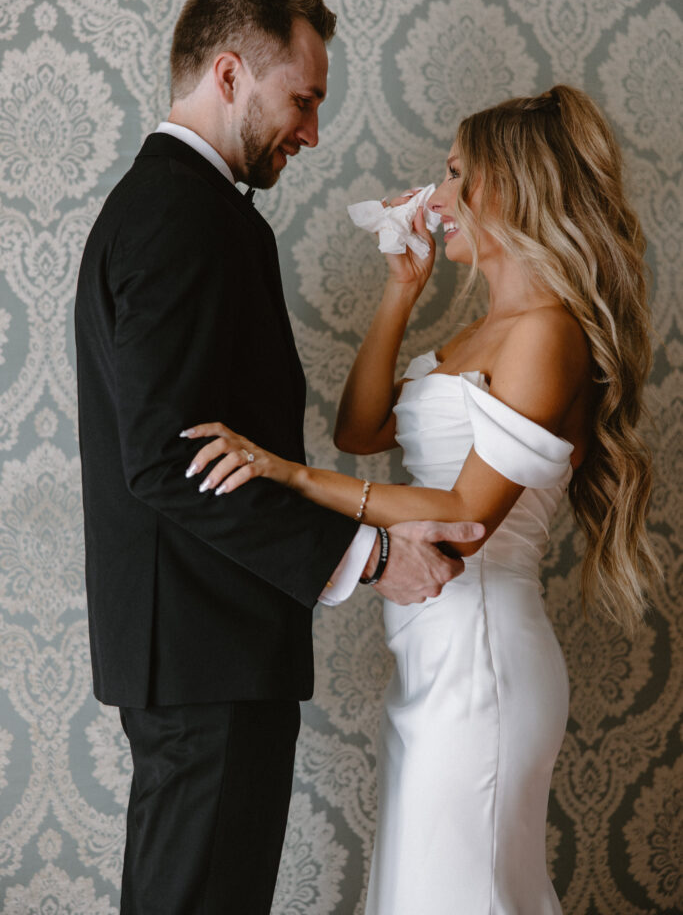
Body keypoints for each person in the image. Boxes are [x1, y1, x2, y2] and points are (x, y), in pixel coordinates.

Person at [183, 85, 660, 914]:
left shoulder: (546, 332)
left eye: (453, 174)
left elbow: (462, 520)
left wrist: (287, 475)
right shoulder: (478, 333)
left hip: (481, 658)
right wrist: (401, 290)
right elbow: (362, 429)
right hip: (429, 656)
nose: (435, 199)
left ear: (507, 187)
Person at [74, 0, 483, 915]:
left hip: (204, 651)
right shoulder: (181, 214)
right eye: (300, 98)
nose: (310, 128)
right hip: (203, 653)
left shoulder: (193, 209)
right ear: (228, 73)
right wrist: (371, 557)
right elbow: (169, 463)